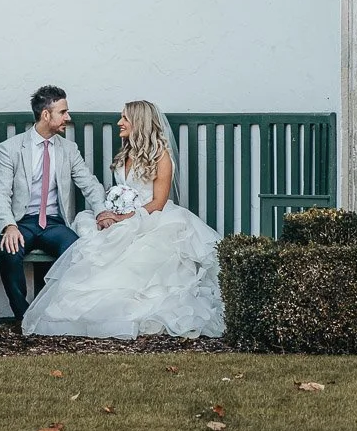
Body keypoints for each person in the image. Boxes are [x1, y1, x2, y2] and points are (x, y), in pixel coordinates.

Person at [21, 100, 225, 340]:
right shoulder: (126, 153)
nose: (119, 122)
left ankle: (126, 313)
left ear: (139, 122)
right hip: (123, 217)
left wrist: (124, 217)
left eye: (125, 118)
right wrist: (110, 212)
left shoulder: (161, 158)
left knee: (134, 259)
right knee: (92, 240)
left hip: (150, 219)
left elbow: (158, 202)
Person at [0, 86, 109, 323]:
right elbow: (0, 193)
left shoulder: (69, 149)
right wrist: (9, 226)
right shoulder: (11, 148)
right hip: (22, 222)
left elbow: (90, 184)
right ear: (46, 115)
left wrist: (101, 211)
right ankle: (24, 317)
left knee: (75, 250)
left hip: (54, 223)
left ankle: (54, 314)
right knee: (10, 249)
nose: (68, 117)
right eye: (62, 112)